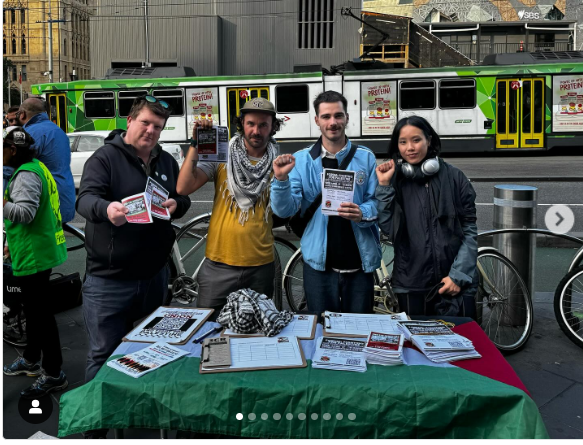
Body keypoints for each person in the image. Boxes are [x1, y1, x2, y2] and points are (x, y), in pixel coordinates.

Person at [76, 96, 191, 385]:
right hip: (110, 281)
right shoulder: (105, 158)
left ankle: (135, 415)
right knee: (103, 354)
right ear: (129, 121)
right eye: (145, 123)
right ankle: (96, 427)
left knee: (147, 352)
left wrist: (177, 204)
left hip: (154, 278)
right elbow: (86, 199)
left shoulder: (165, 160)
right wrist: (106, 210)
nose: (151, 131)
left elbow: (182, 195)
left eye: (158, 126)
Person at [270, 91, 381, 314]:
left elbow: (377, 202)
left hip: (359, 264)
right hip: (319, 266)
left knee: (358, 332)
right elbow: (284, 209)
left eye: (338, 116)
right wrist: (280, 180)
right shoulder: (302, 160)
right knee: (321, 331)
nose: (333, 122)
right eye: (326, 116)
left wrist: (362, 212)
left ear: (347, 118)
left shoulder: (366, 157)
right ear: (317, 120)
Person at [176, 98, 282, 319]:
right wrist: (195, 144)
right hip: (219, 264)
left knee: (254, 334)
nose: (256, 130)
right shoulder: (221, 155)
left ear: (273, 127)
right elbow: (183, 187)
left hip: (260, 265)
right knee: (207, 329)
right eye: (251, 123)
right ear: (241, 123)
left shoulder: (279, 164)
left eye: (263, 125)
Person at [375, 116, 478, 318]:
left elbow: (469, 230)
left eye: (416, 140)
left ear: (429, 140)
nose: (410, 148)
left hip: (455, 282)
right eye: (403, 142)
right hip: (411, 284)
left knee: (460, 345)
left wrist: (458, 276)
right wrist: (384, 187)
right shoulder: (396, 181)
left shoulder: (455, 178)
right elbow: (389, 229)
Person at [2, 126, 68, 398]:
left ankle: (54, 373)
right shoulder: (37, 166)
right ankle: (30, 359)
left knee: (40, 316)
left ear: (13, 150)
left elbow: (25, 213)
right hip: (38, 248)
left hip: (34, 253)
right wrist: (10, 242)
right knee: (34, 311)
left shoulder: (27, 174)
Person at [16, 98, 76, 223]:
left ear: (22, 114)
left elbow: (15, 165)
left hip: (42, 203)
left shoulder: (28, 133)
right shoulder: (59, 131)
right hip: (64, 199)